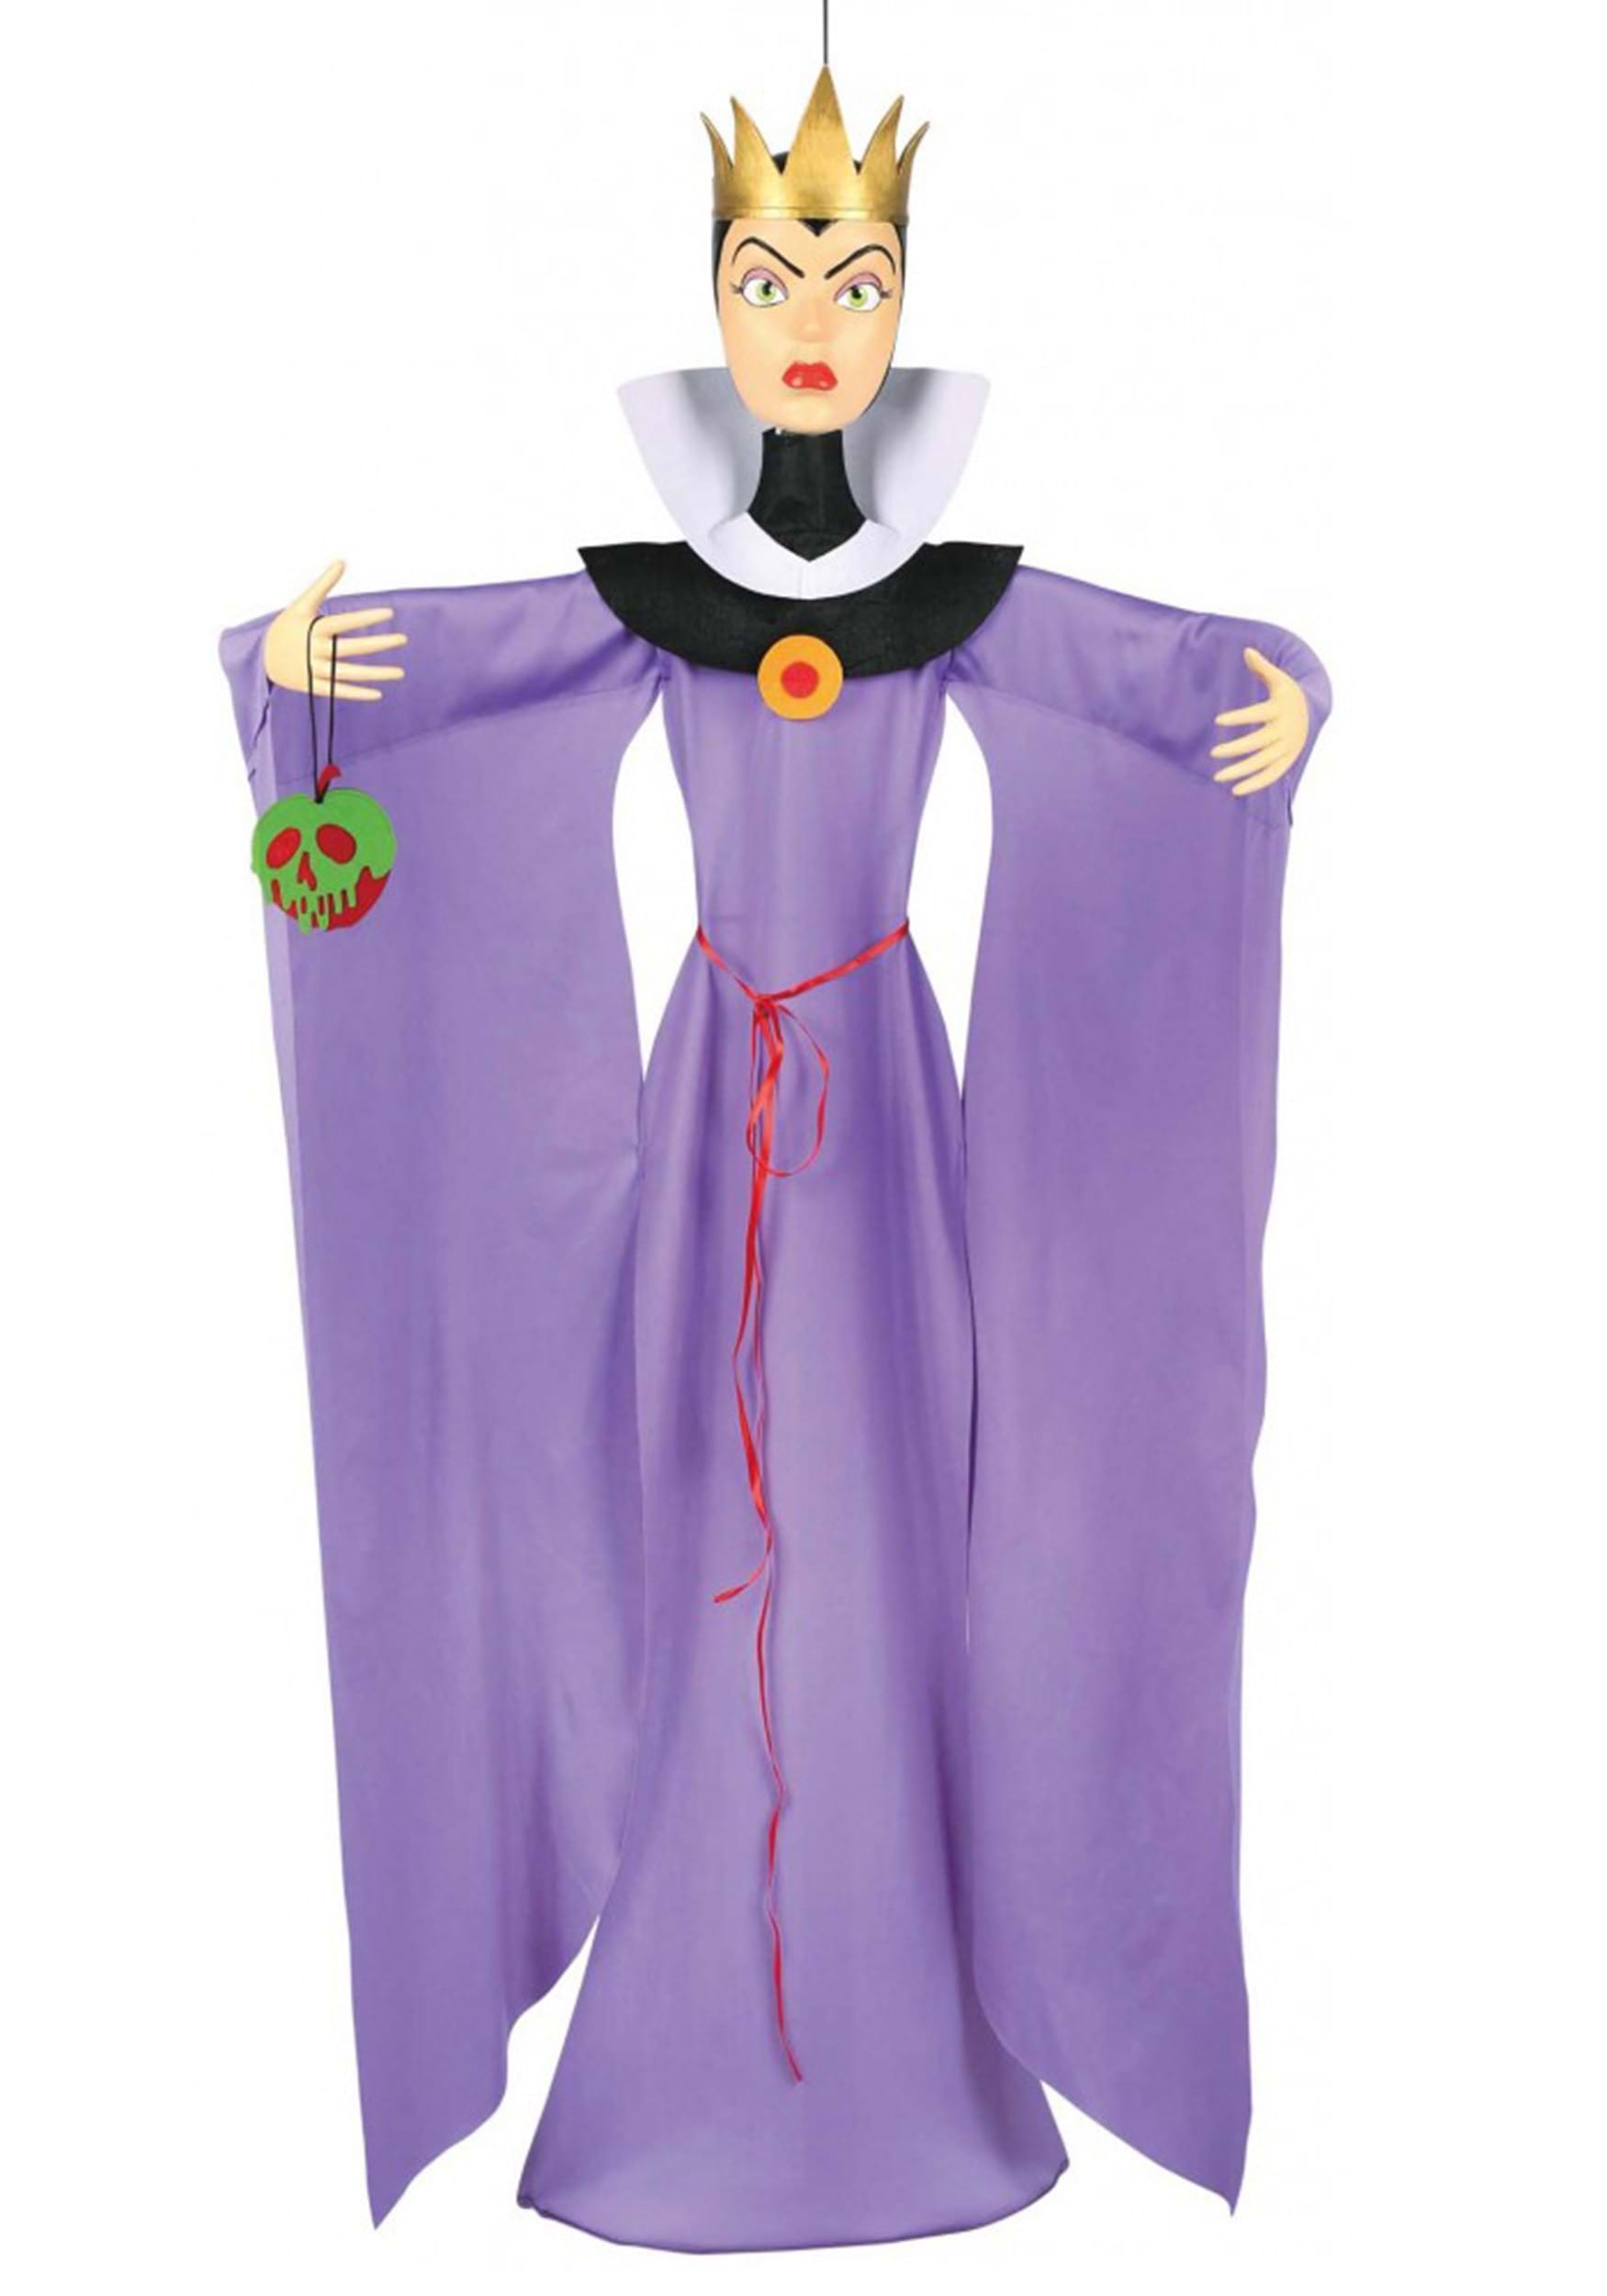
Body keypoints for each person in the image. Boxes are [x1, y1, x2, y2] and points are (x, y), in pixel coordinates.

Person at [220, 60, 1331, 2252]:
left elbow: (1152, 676)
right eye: (764, 276)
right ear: (714, 306)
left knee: (899, 1518)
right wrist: (300, 682)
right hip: (712, 1098)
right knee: (695, 1516)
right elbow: (460, 674)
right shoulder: (660, 588)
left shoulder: (951, 592)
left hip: (886, 1126)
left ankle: (916, 2025)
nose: (808, 316)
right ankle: (680, 2034)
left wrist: (1281, 693)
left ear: (899, 302)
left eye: (850, 277)